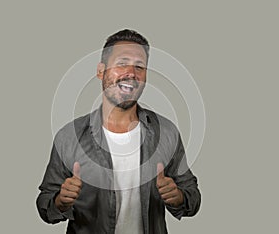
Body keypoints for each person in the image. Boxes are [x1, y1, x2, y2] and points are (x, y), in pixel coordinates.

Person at [36, 29, 201, 234]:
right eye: (122, 63)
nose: (131, 72)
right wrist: (60, 201)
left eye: (139, 66)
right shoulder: (69, 136)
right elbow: (45, 204)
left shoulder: (166, 132)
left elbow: (192, 197)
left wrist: (179, 197)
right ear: (100, 71)